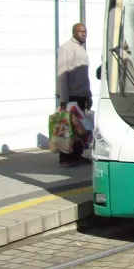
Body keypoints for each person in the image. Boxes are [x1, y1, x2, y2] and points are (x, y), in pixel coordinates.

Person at [56, 23, 93, 166]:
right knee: (68, 128)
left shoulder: (81, 50)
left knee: (80, 129)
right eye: (81, 32)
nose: (84, 34)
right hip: (71, 96)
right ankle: (65, 158)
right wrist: (64, 99)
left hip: (82, 95)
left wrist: (88, 96)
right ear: (74, 32)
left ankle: (77, 155)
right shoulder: (66, 48)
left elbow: (84, 77)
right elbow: (62, 73)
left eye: (85, 31)